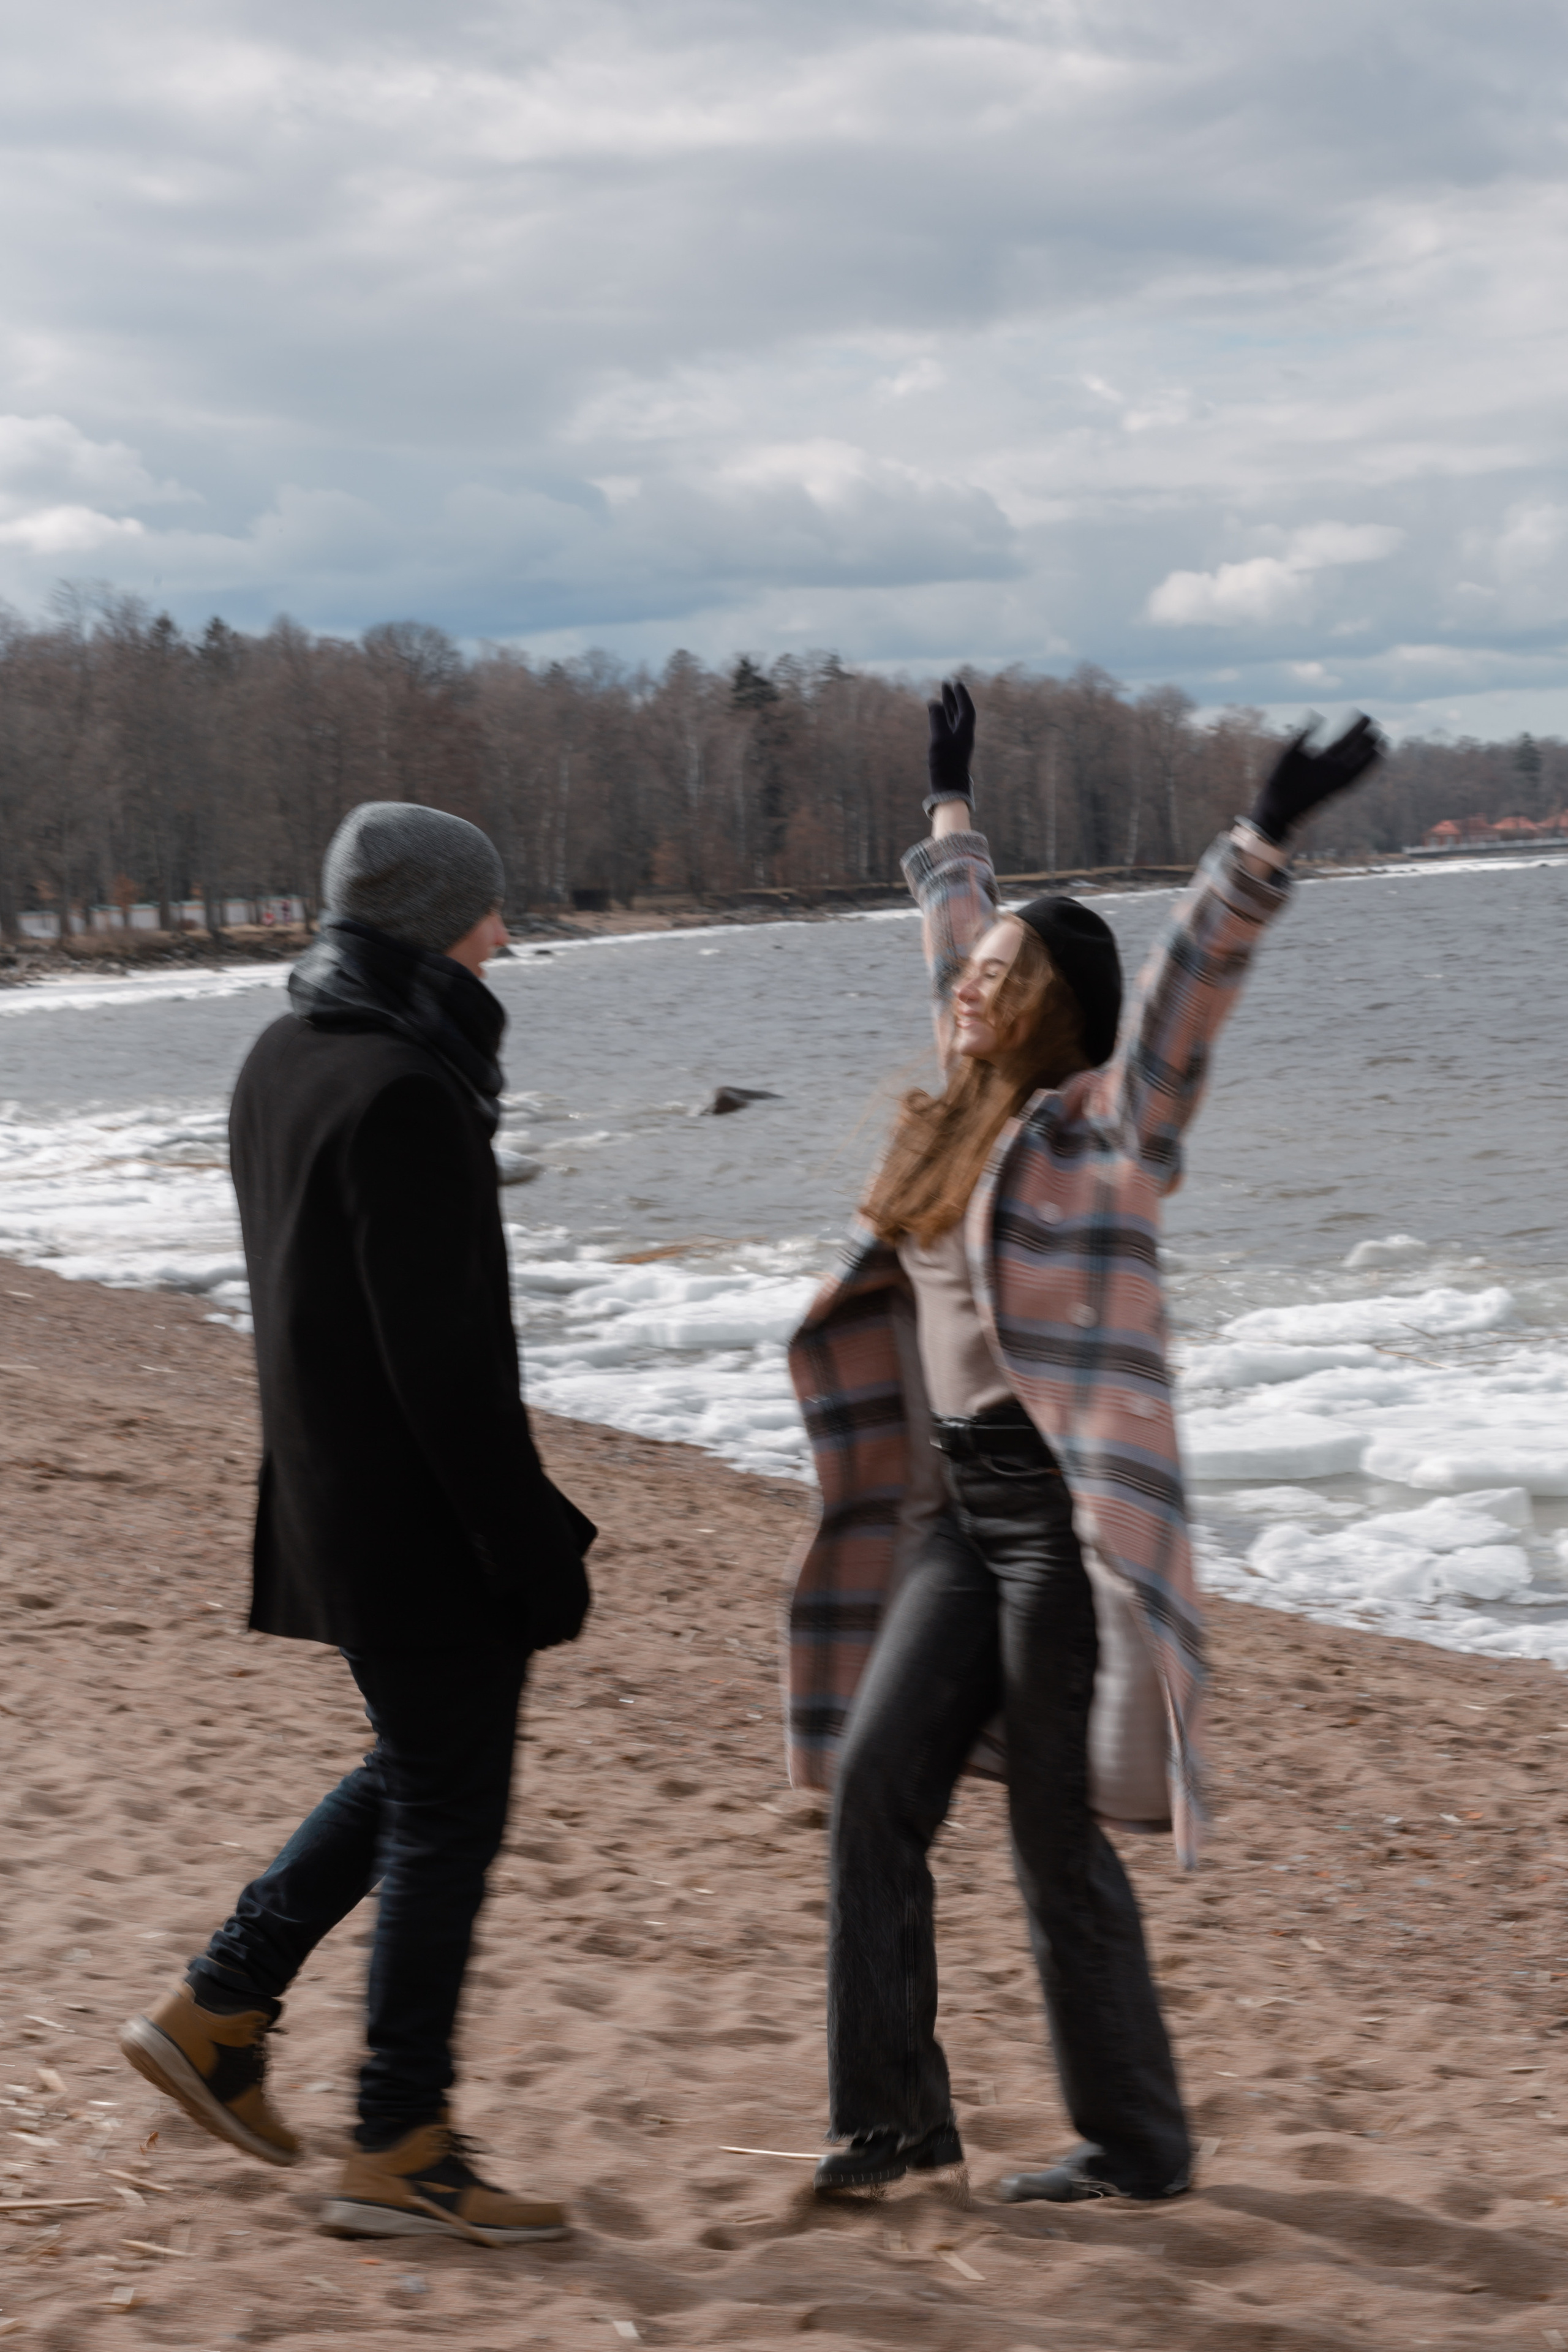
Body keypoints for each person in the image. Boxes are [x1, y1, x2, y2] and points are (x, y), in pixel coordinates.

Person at [786, 687, 1381, 2202]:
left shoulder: (1102, 1132)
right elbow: (953, 918)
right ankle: (890, 2125)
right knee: (872, 1795)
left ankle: (1134, 2146)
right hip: (947, 1520)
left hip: (1051, 1527)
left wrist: (1258, 837)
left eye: (1001, 978)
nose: (972, 986)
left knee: (1052, 1833)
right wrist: (945, 797)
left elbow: (1189, 992)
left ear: (1055, 1005)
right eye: (971, 975)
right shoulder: (959, 1093)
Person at [120, 802, 596, 2248]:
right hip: (415, 1528)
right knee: (451, 1810)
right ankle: (397, 2137)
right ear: (439, 918)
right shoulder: (407, 1088)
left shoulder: (282, 1057)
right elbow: (440, 1365)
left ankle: (219, 2011)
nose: (505, 938)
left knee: (420, 1769)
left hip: (329, 1504)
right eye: (490, 914)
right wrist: (531, 1541)